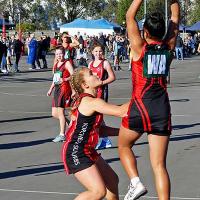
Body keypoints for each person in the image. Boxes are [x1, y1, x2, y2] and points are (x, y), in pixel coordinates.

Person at [118, 1, 180, 200]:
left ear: (145, 31)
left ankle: (135, 182)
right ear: (162, 32)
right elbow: (175, 18)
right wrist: (174, 2)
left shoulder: (139, 48)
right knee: (159, 165)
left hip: (140, 105)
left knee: (124, 146)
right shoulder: (169, 47)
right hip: (161, 108)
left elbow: (129, 16)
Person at [62, 67, 128, 200]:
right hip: (76, 151)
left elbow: (100, 130)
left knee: (112, 181)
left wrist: (124, 132)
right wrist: (143, 96)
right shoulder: (91, 102)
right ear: (85, 85)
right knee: (98, 192)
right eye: (91, 74)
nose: (96, 74)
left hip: (87, 150)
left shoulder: (91, 100)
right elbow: (121, 111)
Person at [88, 42, 116, 150]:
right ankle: (105, 139)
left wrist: (102, 83)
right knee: (96, 117)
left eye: (100, 51)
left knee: (97, 116)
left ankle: (99, 139)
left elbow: (112, 77)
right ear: (92, 52)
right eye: (96, 51)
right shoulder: (90, 64)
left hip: (101, 92)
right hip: (92, 93)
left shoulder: (105, 63)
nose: (98, 53)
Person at [47, 46, 74, 142]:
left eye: (60, 53)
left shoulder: (67, 63)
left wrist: (65, 79)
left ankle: (62, 134)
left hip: (64, 88)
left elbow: (74, 74)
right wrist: (51, 89)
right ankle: (71, 125)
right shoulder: (56, 65)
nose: (59, 55)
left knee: (60, 111)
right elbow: (55, 79)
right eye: (57, 54)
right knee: (54, 113)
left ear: (64, 54)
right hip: (57, 89)